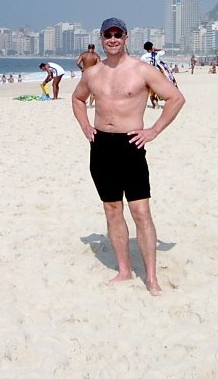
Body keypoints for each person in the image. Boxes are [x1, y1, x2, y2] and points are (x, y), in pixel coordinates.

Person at [72, 17, 185, 295]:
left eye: (117, 34)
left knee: (141, 211)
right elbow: (77, 99)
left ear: (126, 37)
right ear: (101, 38)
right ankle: (124, 270)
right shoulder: (92, 73)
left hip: (130, 145)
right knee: (112, 209)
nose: (113, 39)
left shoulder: (142, 70)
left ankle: (151, 278)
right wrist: (86, 126)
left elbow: (176, 98)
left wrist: (154, 130)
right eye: (108, 35)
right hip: (101, 147)